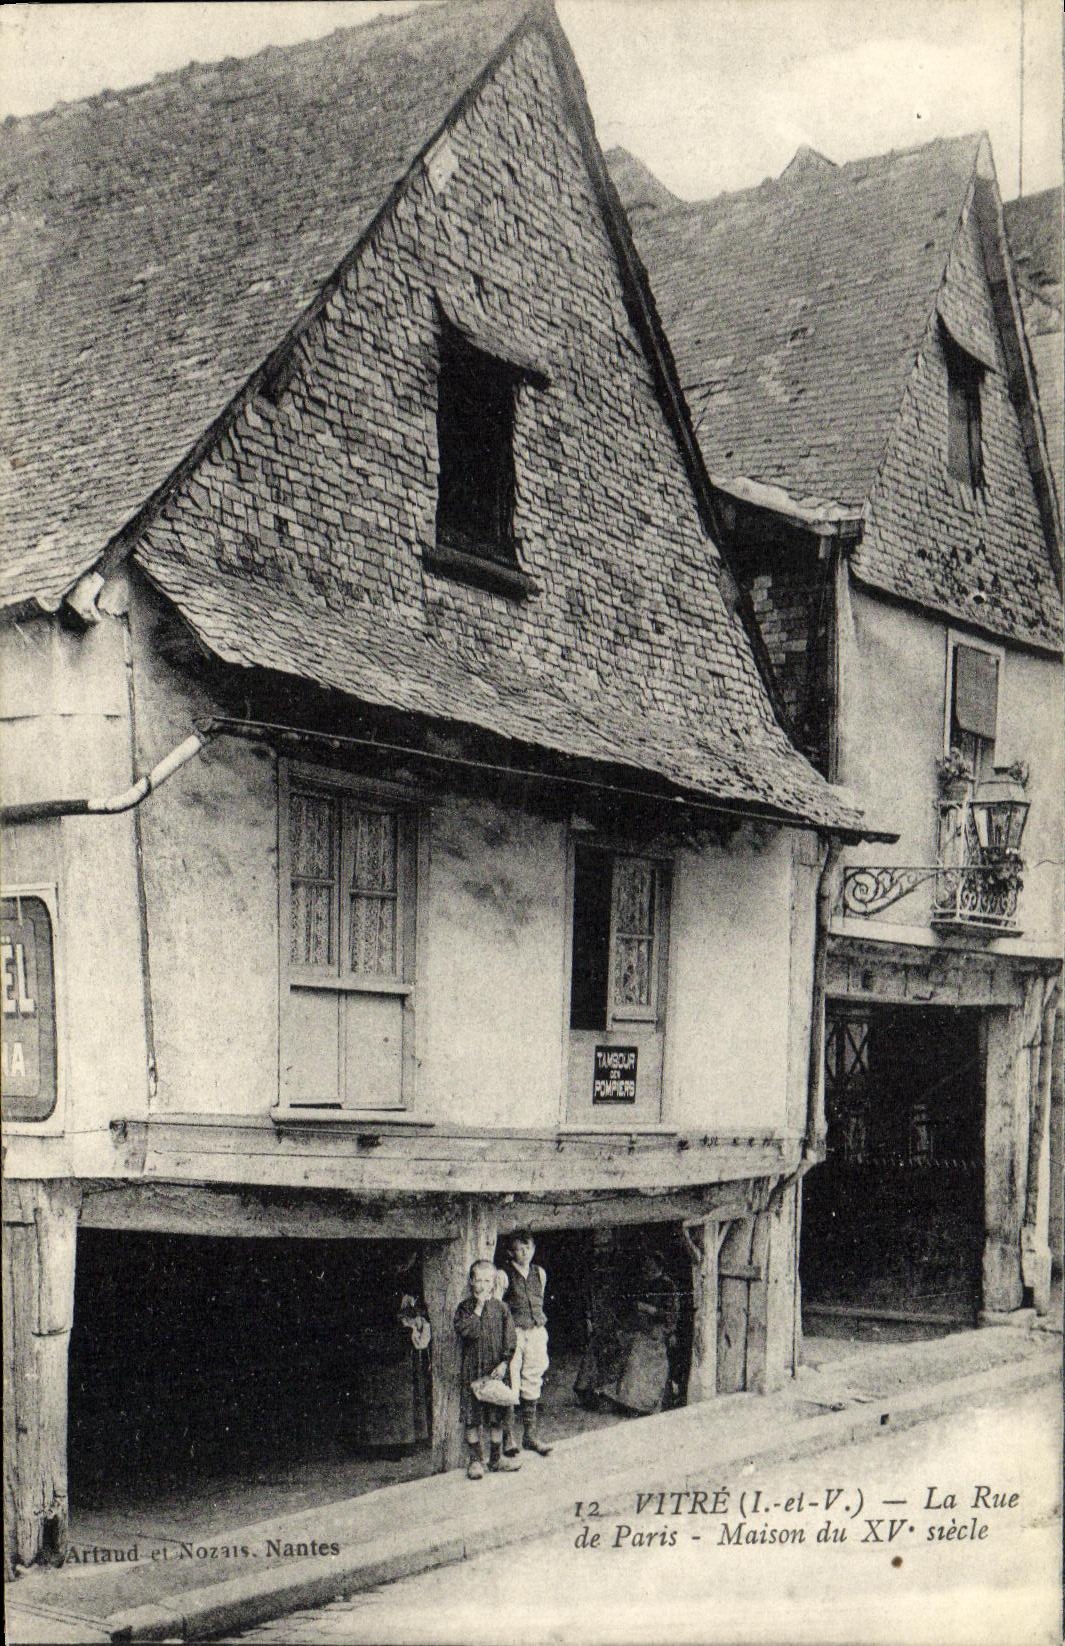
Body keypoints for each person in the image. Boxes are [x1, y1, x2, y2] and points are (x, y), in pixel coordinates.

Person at [575, 1247, 679, 1416]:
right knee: (601, 1341)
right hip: (632, 1328)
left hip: (654, 1332)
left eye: (650, 1265)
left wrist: (649, 1309)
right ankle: (590, 1390)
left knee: (636, 1348)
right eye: (645, 1265)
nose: (646, 1268)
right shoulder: (640, 1283)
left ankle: (633, 1403)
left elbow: (670, 1316)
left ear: (658, 1267)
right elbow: (624, 1309)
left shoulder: (668, 1286)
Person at [355, 1252, 431, 1454]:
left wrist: (415, 1320)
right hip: (381, 1340)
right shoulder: (374, 1280)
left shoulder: (411, 1277)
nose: (404, 1267)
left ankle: (402, 1442)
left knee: (403, 1395)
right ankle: (384, 1445)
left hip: (400, 1342)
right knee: (384, 1394)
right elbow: (374, 1309)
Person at [454, 1259, 521, 1479]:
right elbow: (467, 1331)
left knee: (497, 1416)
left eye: (487, 1280)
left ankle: (496, 1458)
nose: (482, 1285)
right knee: (473, 1418)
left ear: (494, 1283)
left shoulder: (502, 1308)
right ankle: (475, 1461)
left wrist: (504, 1363)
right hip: (473, 1370)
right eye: (478, 1280)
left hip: (496, 1370)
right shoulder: (464, 1308)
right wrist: (479, 1306)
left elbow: (510, 1339)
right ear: (471, 1281)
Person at [499, 1230, 552, 1457]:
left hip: (536, 1330)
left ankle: (529, 1435)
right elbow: (498, 1306)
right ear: (511, 1252)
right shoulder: (504, 1275)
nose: (525, 1253)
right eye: (519, 1249)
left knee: (533, 1377)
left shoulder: (539, 1273)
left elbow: (539, 1300)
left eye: (528, 1247)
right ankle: (508, 1437)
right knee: (511, 1380)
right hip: (515, 1332)